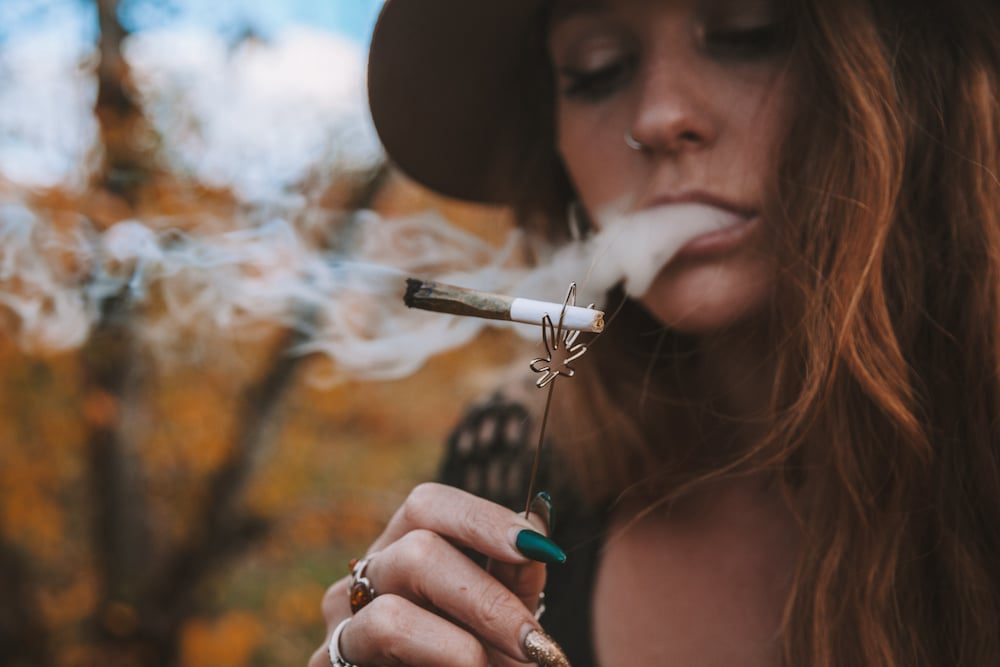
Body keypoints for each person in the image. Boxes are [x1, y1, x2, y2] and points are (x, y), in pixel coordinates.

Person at [311, 0, 1000, 665]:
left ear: (905, 77)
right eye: (598, 69)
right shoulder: (517, 469)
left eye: (747, 33)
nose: (660, 118)